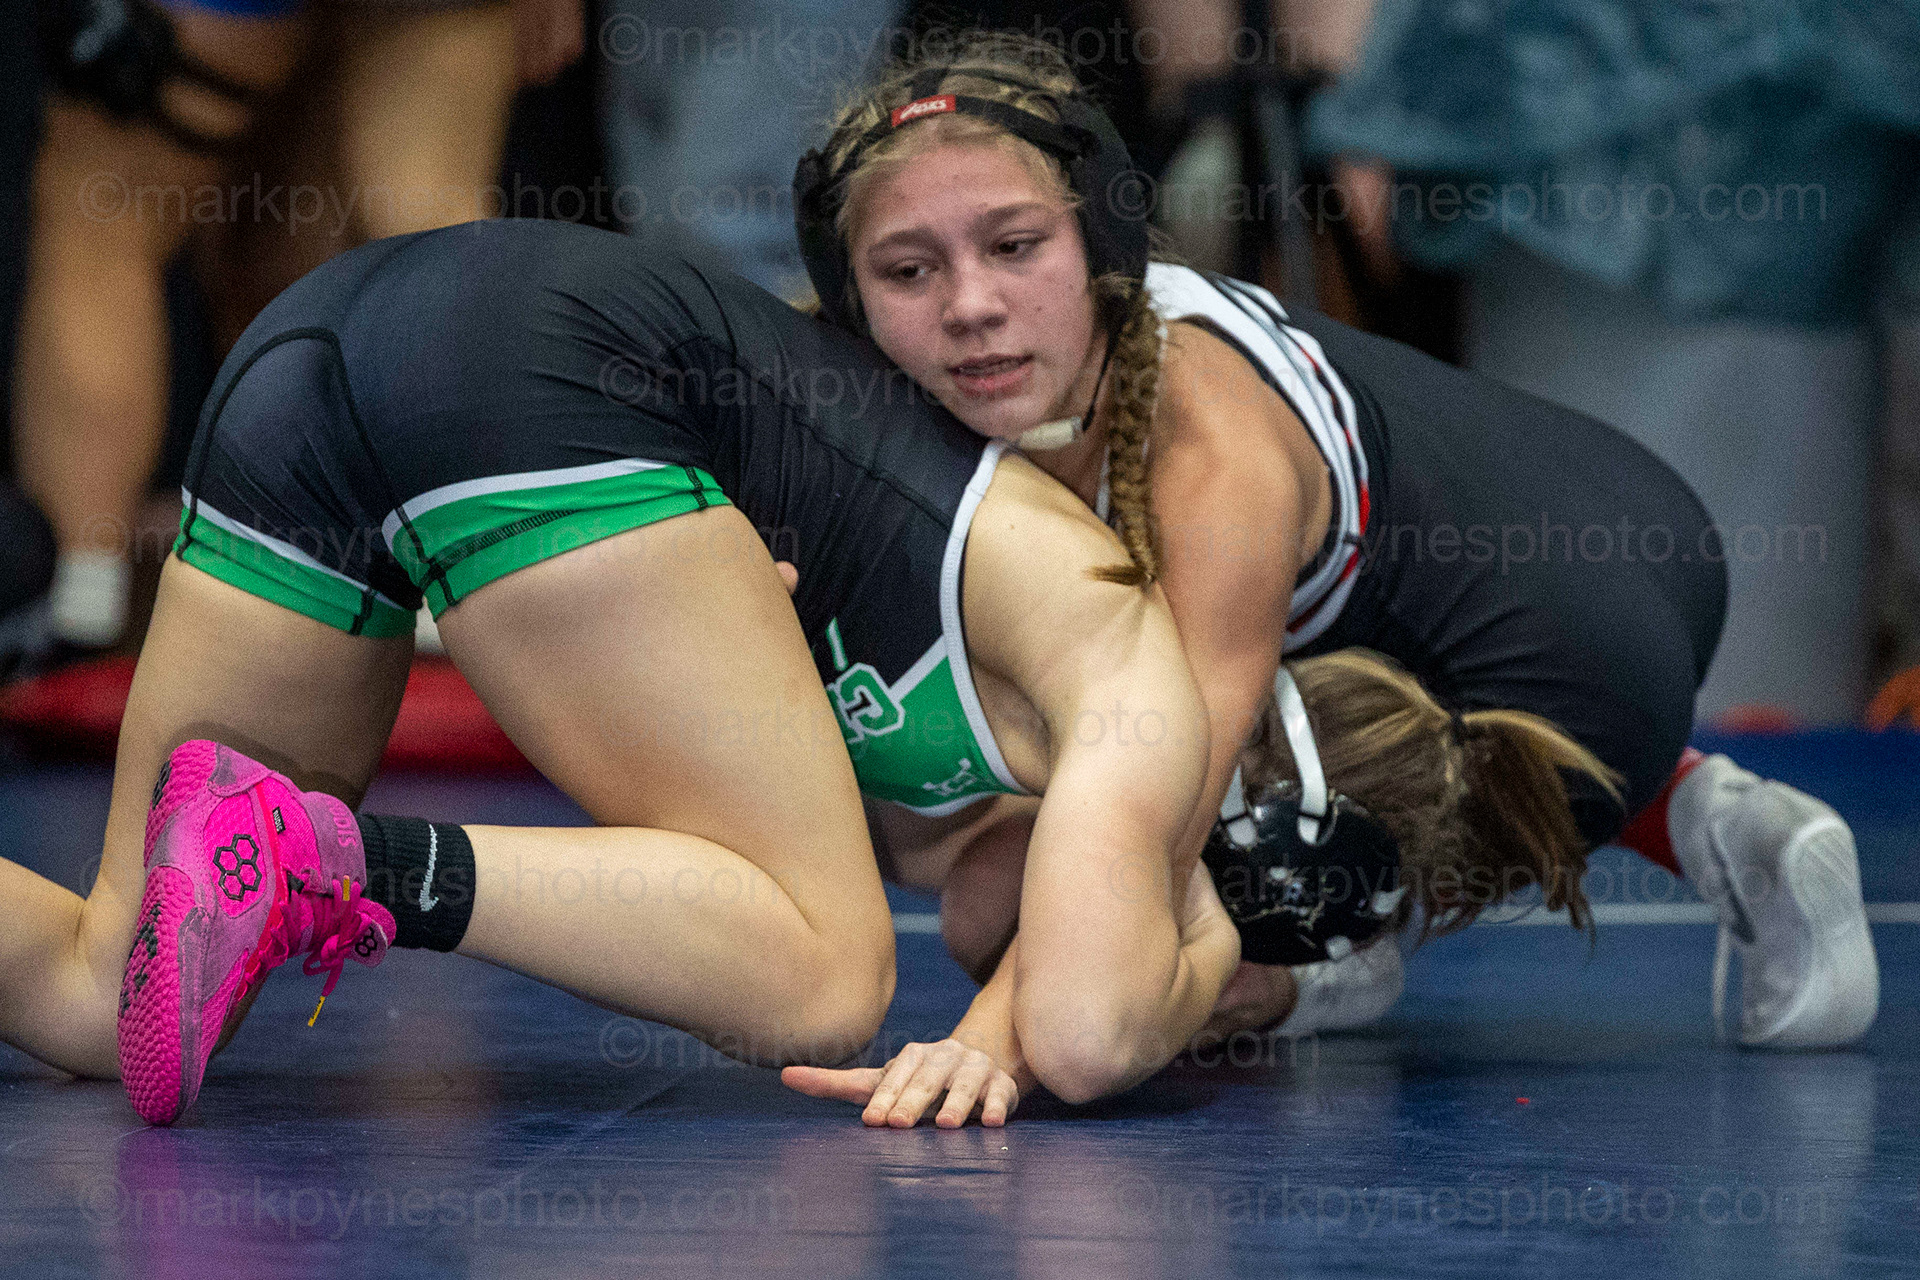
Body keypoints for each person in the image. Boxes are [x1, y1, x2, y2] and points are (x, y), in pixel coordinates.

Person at [777, 33, 1880, 1128]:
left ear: (1101, 239)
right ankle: (1382, 916)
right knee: (1009, 858)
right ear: (853, 297)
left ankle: (1683, 827)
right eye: (911, 270)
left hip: (1567, 657)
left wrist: (982, 1046)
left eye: (1014, 247)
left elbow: (1160, 812)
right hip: (1544, 509)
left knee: (1029, 902)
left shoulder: (1208, 452)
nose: (970, 304)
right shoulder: (919, 377)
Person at [10, 215, 1245, 1126]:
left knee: (101, 993)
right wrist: (1224, 952)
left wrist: (1009, 1010)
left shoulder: (1004, 722)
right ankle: (333, 858)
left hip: (319, 349)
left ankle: (278, 853)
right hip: (515, 368)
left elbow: (1035, 917)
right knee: (826, 973)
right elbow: (1090, 1023)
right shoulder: (1118, 646)